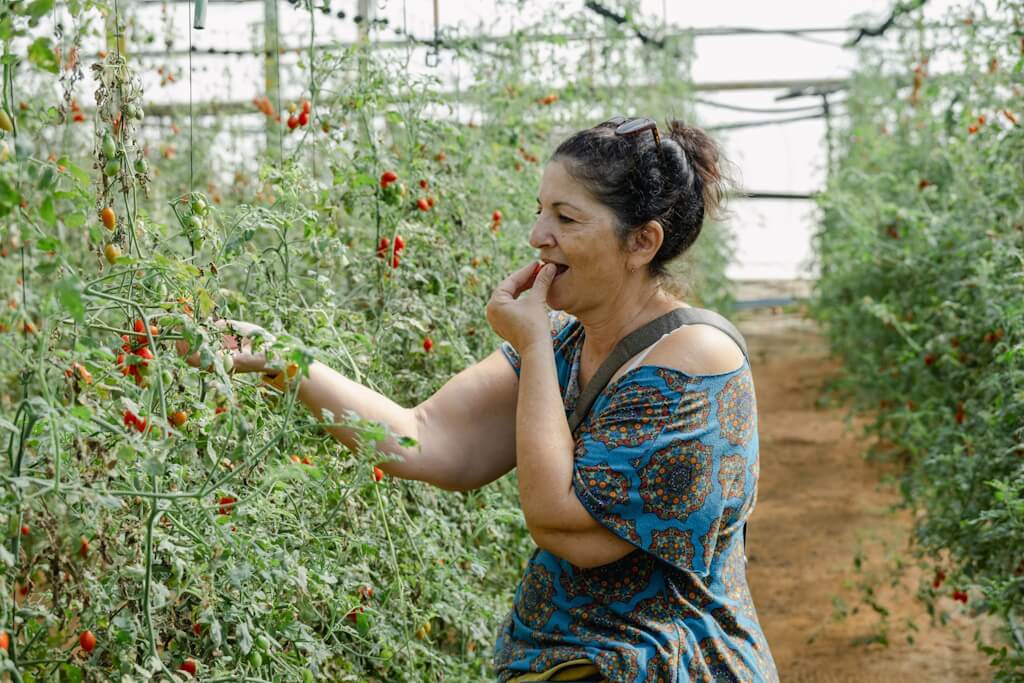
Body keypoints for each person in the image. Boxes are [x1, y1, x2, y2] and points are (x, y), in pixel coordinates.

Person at [178, 116, 778, 683]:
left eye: (566, 219)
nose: (537, 236)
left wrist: (534, 345)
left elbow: (564, 524)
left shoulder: (694, 361)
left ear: (642, 242)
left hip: (666, 664)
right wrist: (280, 358)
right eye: (539, 212)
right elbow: (426, 439)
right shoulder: (571, 343)